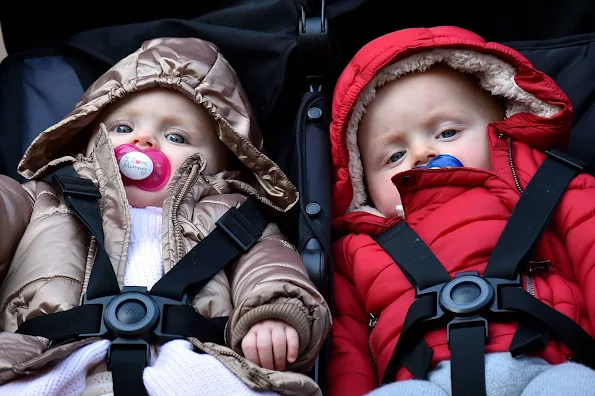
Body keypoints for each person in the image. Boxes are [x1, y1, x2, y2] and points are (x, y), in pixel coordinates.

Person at [0, 37, 330, 396]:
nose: (143, 139)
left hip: (191, 360)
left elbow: (272, 269)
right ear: (87, 140)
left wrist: (272, 314)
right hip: (50, 358)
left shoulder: (236, 218)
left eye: (176, 135)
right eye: (123, 128)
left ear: (223, 166)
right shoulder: (46, 197)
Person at [327, 26, 595, 396]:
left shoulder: (553, 190)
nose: (422, 154)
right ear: (362, 182)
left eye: (448, 133)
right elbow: (347, 351)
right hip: (423, 381)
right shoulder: (357, 251)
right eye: (394, 156)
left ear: (499, 132)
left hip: (548, 363)